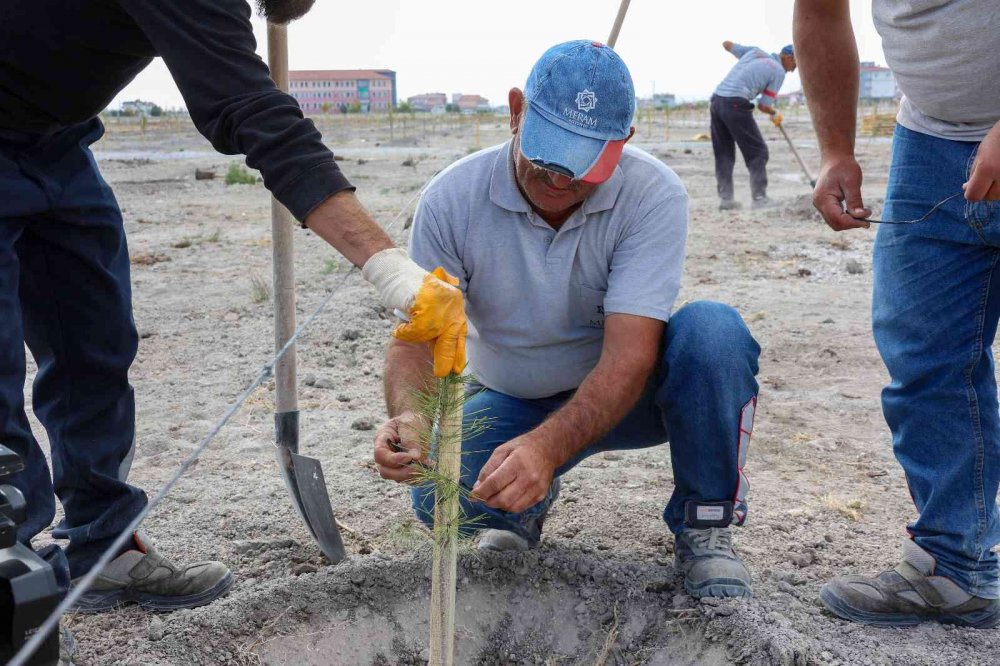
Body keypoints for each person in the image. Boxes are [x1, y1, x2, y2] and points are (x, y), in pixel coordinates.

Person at [0, 0, 465, 614]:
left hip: (57, 141)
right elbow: (249, 109)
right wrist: (393, 273)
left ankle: (102, 546)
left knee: (96, 346)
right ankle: (15, 579)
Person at [373, 40, 762, 599]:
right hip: (514, 395)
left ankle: (705, 526)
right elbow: (417, 340)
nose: (560, 181)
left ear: (623, 142)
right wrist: (411, 417)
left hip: (631, 395)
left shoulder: (653, 195)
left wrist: (548, 449)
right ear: (515, 111)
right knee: (440, 501)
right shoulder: (450, 200)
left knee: (713, 333)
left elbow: (630, 355)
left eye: (582, 166)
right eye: (549, 156)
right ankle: (520, 508)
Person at [794, 0, 1000, 628]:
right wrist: (836, 149)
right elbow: (821, 11)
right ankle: (954, 564)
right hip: (930, 140)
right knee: (923, 350)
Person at [710, 41, 796, 211]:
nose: (794, 69)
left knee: (724, 154)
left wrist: (738, 53)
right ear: (787, 57)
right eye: (795, 63)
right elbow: (763, 105)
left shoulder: (755, 52)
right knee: (758, 152)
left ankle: (726, 199)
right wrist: (773, 113)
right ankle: (759, 198)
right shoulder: (778, 71)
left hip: (717, 101)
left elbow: (726, 44)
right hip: (735, 103)